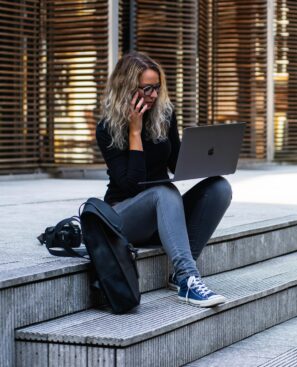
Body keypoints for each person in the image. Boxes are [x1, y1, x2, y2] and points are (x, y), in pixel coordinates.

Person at [96, 51, 232, 308]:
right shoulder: (107, 128)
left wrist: (208, 157)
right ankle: (188, 280)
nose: (154, 95)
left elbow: (175, 164)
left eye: (157, 88)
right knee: (164, 192)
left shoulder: (164, 115)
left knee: (219, 188)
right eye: (147, 89)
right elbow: (130, 185)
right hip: (124, 218)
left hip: (161, 215)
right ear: (127, 88)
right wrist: (134, 132)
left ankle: (180, 271)